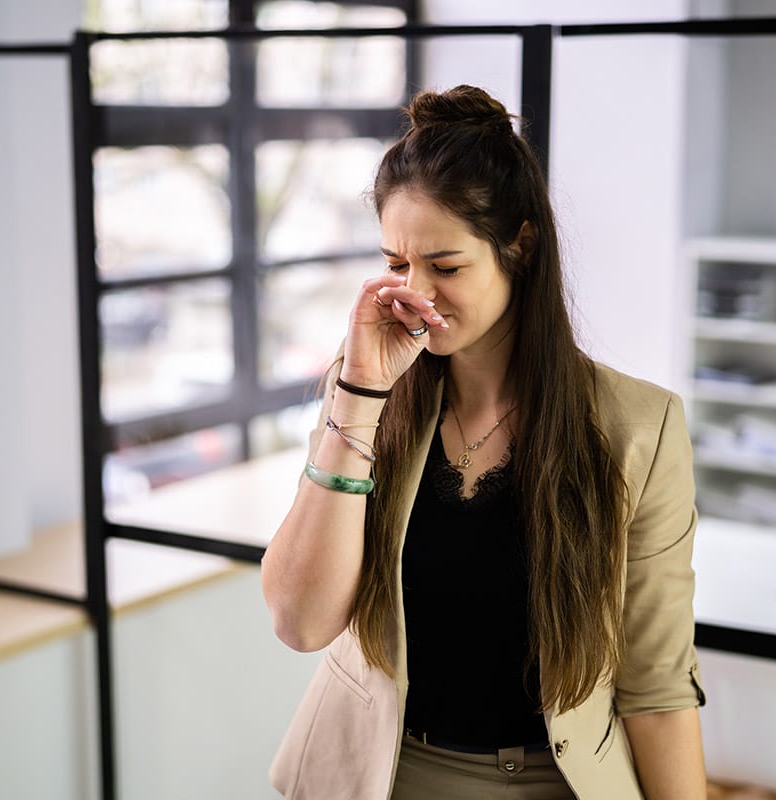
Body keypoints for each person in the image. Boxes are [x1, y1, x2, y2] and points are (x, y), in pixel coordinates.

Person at [261, 84, 706, 800]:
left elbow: (656, 687)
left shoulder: (639, 427)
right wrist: (360, 395)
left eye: (446, 266)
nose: (417, 294)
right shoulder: (367, 394)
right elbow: (300, 620)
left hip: (552, 782)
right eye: (396, 264)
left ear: (519, 247)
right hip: (383, 777)